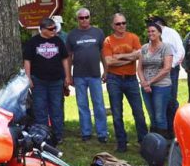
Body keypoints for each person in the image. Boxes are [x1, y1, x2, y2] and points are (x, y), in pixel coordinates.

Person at [103, 13, 148, 153]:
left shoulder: (133, 37)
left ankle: (144, 141)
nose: (121, 26)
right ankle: (121, 143)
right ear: (113, 26)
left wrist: (121, 56)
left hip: (131, 79)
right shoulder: (108, 41)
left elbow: (141, 54)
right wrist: (131, 57)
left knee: (139, 112)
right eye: (118, 24)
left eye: (123, 23)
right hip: (114, 79)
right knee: (117, 114)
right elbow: (109, 61)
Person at [24, 17, 72, 145]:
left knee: (56, 109)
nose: (54, 31)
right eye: (51, 29)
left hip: (56, 81)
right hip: (38, 81)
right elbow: (27, 60)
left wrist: (67, 76)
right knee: (40, 109)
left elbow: (65, 59)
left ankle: (58, 135)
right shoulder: (33, 42)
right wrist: (28, 78)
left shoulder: (58, 41)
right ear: (43, 29)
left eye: (55, 28)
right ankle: (43, 135)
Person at [66, 8, 108, 142]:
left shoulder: (98, 32)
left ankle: (102, 133)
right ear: (77, 19)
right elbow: (68, 57)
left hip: (95, 75)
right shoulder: (72, 35)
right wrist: (68, 75)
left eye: (86, 17)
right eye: (81, 18)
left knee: (99, 105)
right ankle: (86, 133)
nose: (84, 20)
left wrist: (106, 70)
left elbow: (103, 53)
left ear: (90, 17)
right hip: (79, 76)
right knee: (82, 105)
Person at [148, 16, 184, 135]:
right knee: (160, 100)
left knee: (171, 100)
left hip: (171, 70)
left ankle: (174, 129)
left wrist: (171, 65)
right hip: (158, 71)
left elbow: (180, 51)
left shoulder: (172, 33)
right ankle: (162, 129)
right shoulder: (153, 35)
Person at [137, 22, 174, 138]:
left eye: (153, 31)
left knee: (159, 116)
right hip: (146, 87)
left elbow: (166, 68)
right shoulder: (144, 48)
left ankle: (163, 143)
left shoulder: (166, 47)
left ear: (159, 33)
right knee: (152, 115)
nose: (150, 33)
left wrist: (150, 82)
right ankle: (153, 143)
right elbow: (139, 68)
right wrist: (144, 83)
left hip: (162, 86)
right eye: (148, 31)